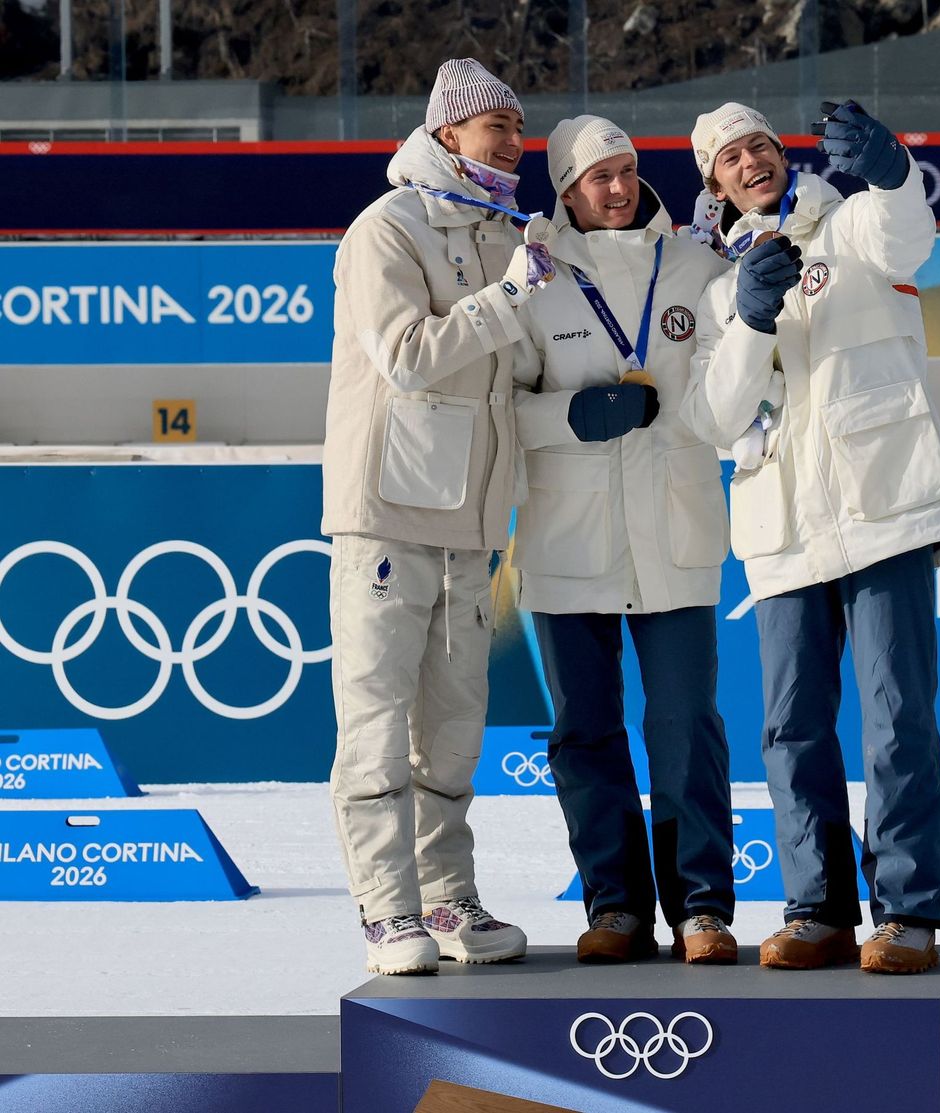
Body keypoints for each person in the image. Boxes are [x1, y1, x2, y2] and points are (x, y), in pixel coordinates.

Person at [681, 101, 940, 974]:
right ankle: (815, 907)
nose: (750, 164)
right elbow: (712, 416)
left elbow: (906, 231)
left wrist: (893, 170)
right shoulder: (712, 288)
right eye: (730, 158)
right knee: (792, 728)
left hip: (883, 506)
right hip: (783, 529)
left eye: (760, 147)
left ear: (783, 156)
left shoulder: (849, 225)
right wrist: (746, 319)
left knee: (898, 716)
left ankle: (907, 912)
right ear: (715, 184)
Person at [323, 58, 543, 975]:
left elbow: (514, 372)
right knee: (375, 718)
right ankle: (386, 910)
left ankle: (447, 899)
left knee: (454, 726)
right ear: (448, 131)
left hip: (473, 518)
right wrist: (514, 297)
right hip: (387, 510)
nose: (514, 142)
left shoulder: (507, 232)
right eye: (497, 125)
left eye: (519, 129)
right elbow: (409, 356)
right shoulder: (386, 227)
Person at [510, 116, 737, 964]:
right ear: (566, 189)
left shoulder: (693, 266)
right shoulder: (533, 278)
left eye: (627, 169)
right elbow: (506, 411)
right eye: (596, 176)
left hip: (674, 530)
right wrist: (574, 414)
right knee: (586, 731)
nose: (616, 187)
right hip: (568, 537)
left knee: (685, 725)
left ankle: (702, 908)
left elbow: (735, 376)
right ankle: (615, 905)